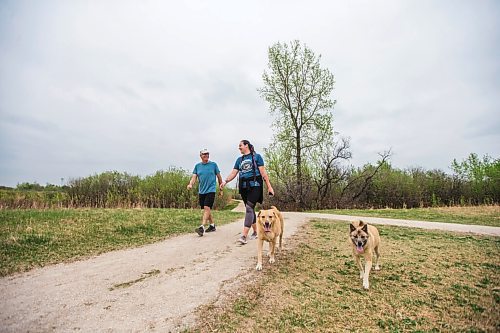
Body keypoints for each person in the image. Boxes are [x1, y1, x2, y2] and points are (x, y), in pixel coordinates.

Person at [220, 140, 274, 244]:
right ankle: (255, 231)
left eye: (240, 145)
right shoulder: (239, 160)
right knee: (251, 209)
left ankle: (244, 236)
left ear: (246, 145)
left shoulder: (257, 157)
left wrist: (269, 187)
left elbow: (263, 173)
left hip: (255, 186)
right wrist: (225, 181)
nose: (239, 147)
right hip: (244, 187)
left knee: (249, 208)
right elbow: (234, 172)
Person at [187, 148, 223, 236]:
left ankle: (202, 227)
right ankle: (212, 225)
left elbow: (219, 177)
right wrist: (190, 184)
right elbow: (194, 177)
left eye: (207, 154)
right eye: (204, 154)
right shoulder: (197, 166)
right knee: (206, 209)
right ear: (201, 156)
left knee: (206, 207)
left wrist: (221, 189)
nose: (206, 155)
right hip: (202, 191)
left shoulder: (213, 165)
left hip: (211, 190)